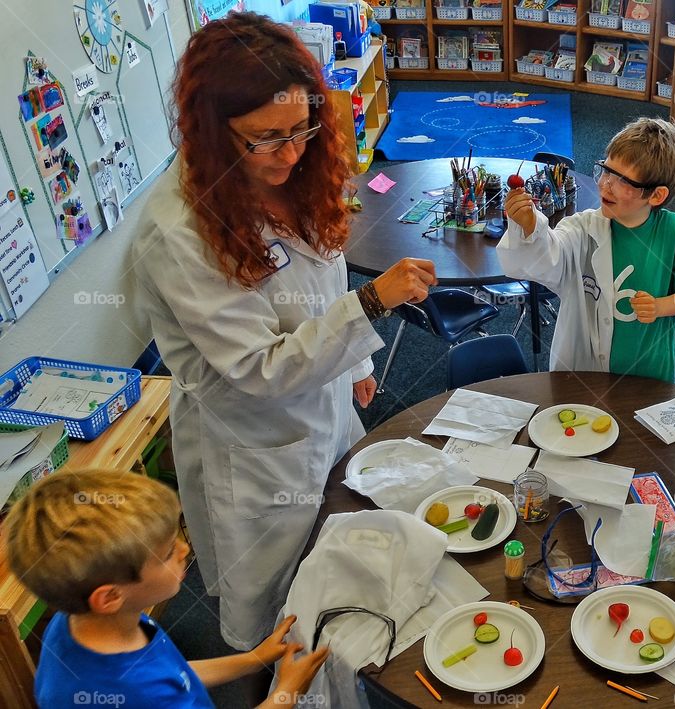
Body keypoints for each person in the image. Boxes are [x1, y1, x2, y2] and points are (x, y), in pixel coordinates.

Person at [131, 12, 437, 650]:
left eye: (302, 128)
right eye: (265, 138)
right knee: (272, 612)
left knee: (340, 564)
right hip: (256, 443)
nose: (292, 153)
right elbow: (259, 369)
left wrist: (353, 363)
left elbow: (318, 280)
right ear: (211, 133)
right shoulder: (178, 231)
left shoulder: (292, 171)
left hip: (321, 403)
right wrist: (371, 307)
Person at [3, 469, 329, 708]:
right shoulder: (144, 693)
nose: (185, 549)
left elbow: (174, 672)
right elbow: (161, 682)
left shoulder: (73, 622)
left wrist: (253, 658)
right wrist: (286, 691)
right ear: (110, 596)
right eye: (168, 553)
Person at [497, 117, 675, 384]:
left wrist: (660, 306)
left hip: (653, 371)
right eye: (606, 170)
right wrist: (530, 227)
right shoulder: (582, 228)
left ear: (656, 196)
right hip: (589, 372)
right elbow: (547, 258)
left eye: (622, 180)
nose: (604, 184)